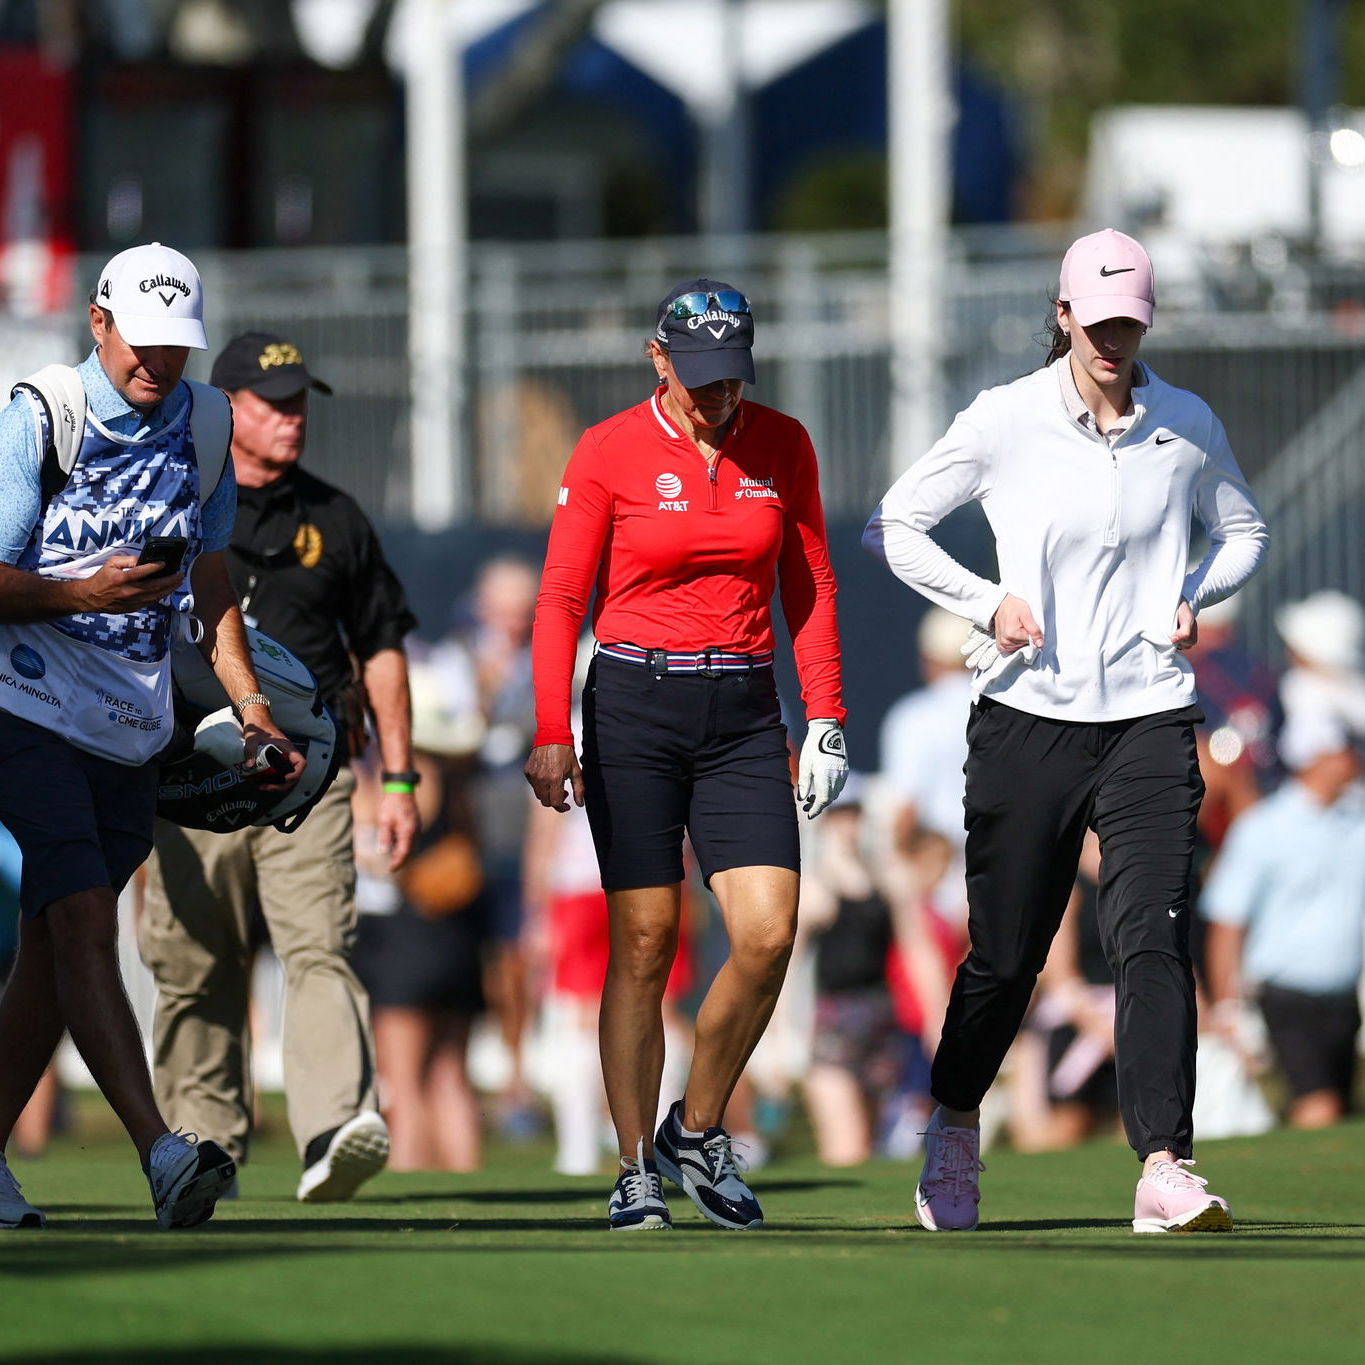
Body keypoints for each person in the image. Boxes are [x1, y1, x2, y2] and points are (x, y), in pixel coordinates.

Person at [864, 229, 1268, 1234]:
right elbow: (894, 524)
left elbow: (1244, 530)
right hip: (1027, 720)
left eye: (1129, 321)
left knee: (1153, 936)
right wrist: (984, 601)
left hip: (1148, 717)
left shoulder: (1184, 423)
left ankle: (1164, 1166)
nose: (1112, 338)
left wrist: (1193, 591)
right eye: (1096, 322)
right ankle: (954, 1126)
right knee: (1005, 952)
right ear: (1062, 316)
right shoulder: (1004, 420)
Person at [524, 279, 848, 1231]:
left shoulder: (781, 442)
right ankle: (632, 1165)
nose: (719, 399)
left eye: (732, 378)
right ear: (656, 359)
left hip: (743, 706)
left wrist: (824, 714)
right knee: (644, 941)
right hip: (631, 701)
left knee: (767, 931)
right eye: (700, 379)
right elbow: (558, 599)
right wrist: (552, 728)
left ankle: (697, 1129)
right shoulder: (607, 450)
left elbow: (812, 582)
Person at [0, 243, 305, 1229]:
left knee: (53, 949)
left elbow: (211, 582)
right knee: (85, 918)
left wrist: (252, 709)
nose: (157, 362)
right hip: (23, 702)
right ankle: (162, 1151)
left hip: (133, 723)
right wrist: (79, 593)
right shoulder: (43, 413)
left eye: (176, 344)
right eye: (141, 340)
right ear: (99, 322)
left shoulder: (208, 420)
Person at [137, 331, 419, 1203]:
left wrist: (400, 779)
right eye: (274, 403)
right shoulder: (166, 497)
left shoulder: (336, 517)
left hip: (312, 775)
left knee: (319, 948)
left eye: (300, 402)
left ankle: (335, 1126)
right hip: (186, 777)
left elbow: (381, 649)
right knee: (192, 966)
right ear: (226, 409)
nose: (293, 418)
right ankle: (201, 1149)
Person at [1202, 639, 1365, 1130]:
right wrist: (1229, 1005)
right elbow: (1228, 922)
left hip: (1343, 996)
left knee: (1333, 1112)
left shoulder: (1356, 820)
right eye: (1342, 750)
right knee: (1319, 1109)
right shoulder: (1264, 827)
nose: (1351, 760)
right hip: (1284, 996)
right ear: (1315, 756)